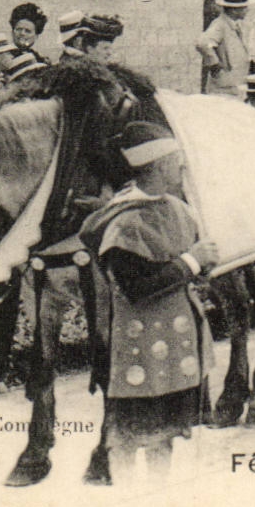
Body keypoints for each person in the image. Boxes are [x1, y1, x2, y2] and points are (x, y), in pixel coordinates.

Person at [79, 121, 217, 485]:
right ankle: (127, 501)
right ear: (158, 166)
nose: (181, 168)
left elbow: (192, 268)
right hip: (137, 353)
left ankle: (158, 497)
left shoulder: (178, 209)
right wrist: (192, 262)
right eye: (175, 162)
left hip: (174, 351)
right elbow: (136, 288)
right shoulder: (124, 223)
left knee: (164, 436)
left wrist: (203, 265)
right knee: (128, 439)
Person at [197, 0, 252, 99]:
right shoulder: (220, 24)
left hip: (236, 83)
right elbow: (202, 43)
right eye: (244, 8)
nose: (247, 10)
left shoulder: (238, 25)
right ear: (234, 10)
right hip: (225, 87)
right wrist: (215, 64)